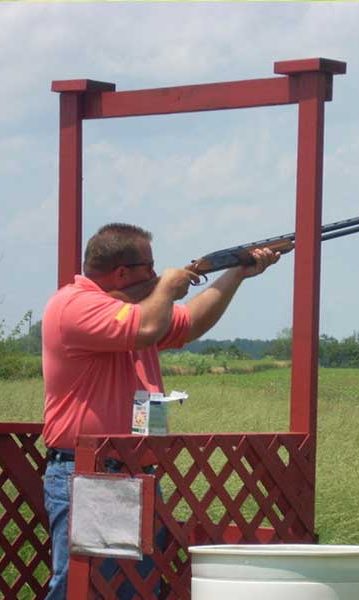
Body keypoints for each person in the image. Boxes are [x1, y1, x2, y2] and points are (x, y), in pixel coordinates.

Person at [42, 223, 279, 599]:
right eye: (148, 267)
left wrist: (237, 273)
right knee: (80, 588)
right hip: (87, 473)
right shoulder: (75, 305)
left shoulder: (131, 310)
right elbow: (149, 326)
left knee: (134, 588)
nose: (155, 273)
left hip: (135, 472)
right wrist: (168, 286)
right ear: (122, 272)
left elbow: (189, 324)